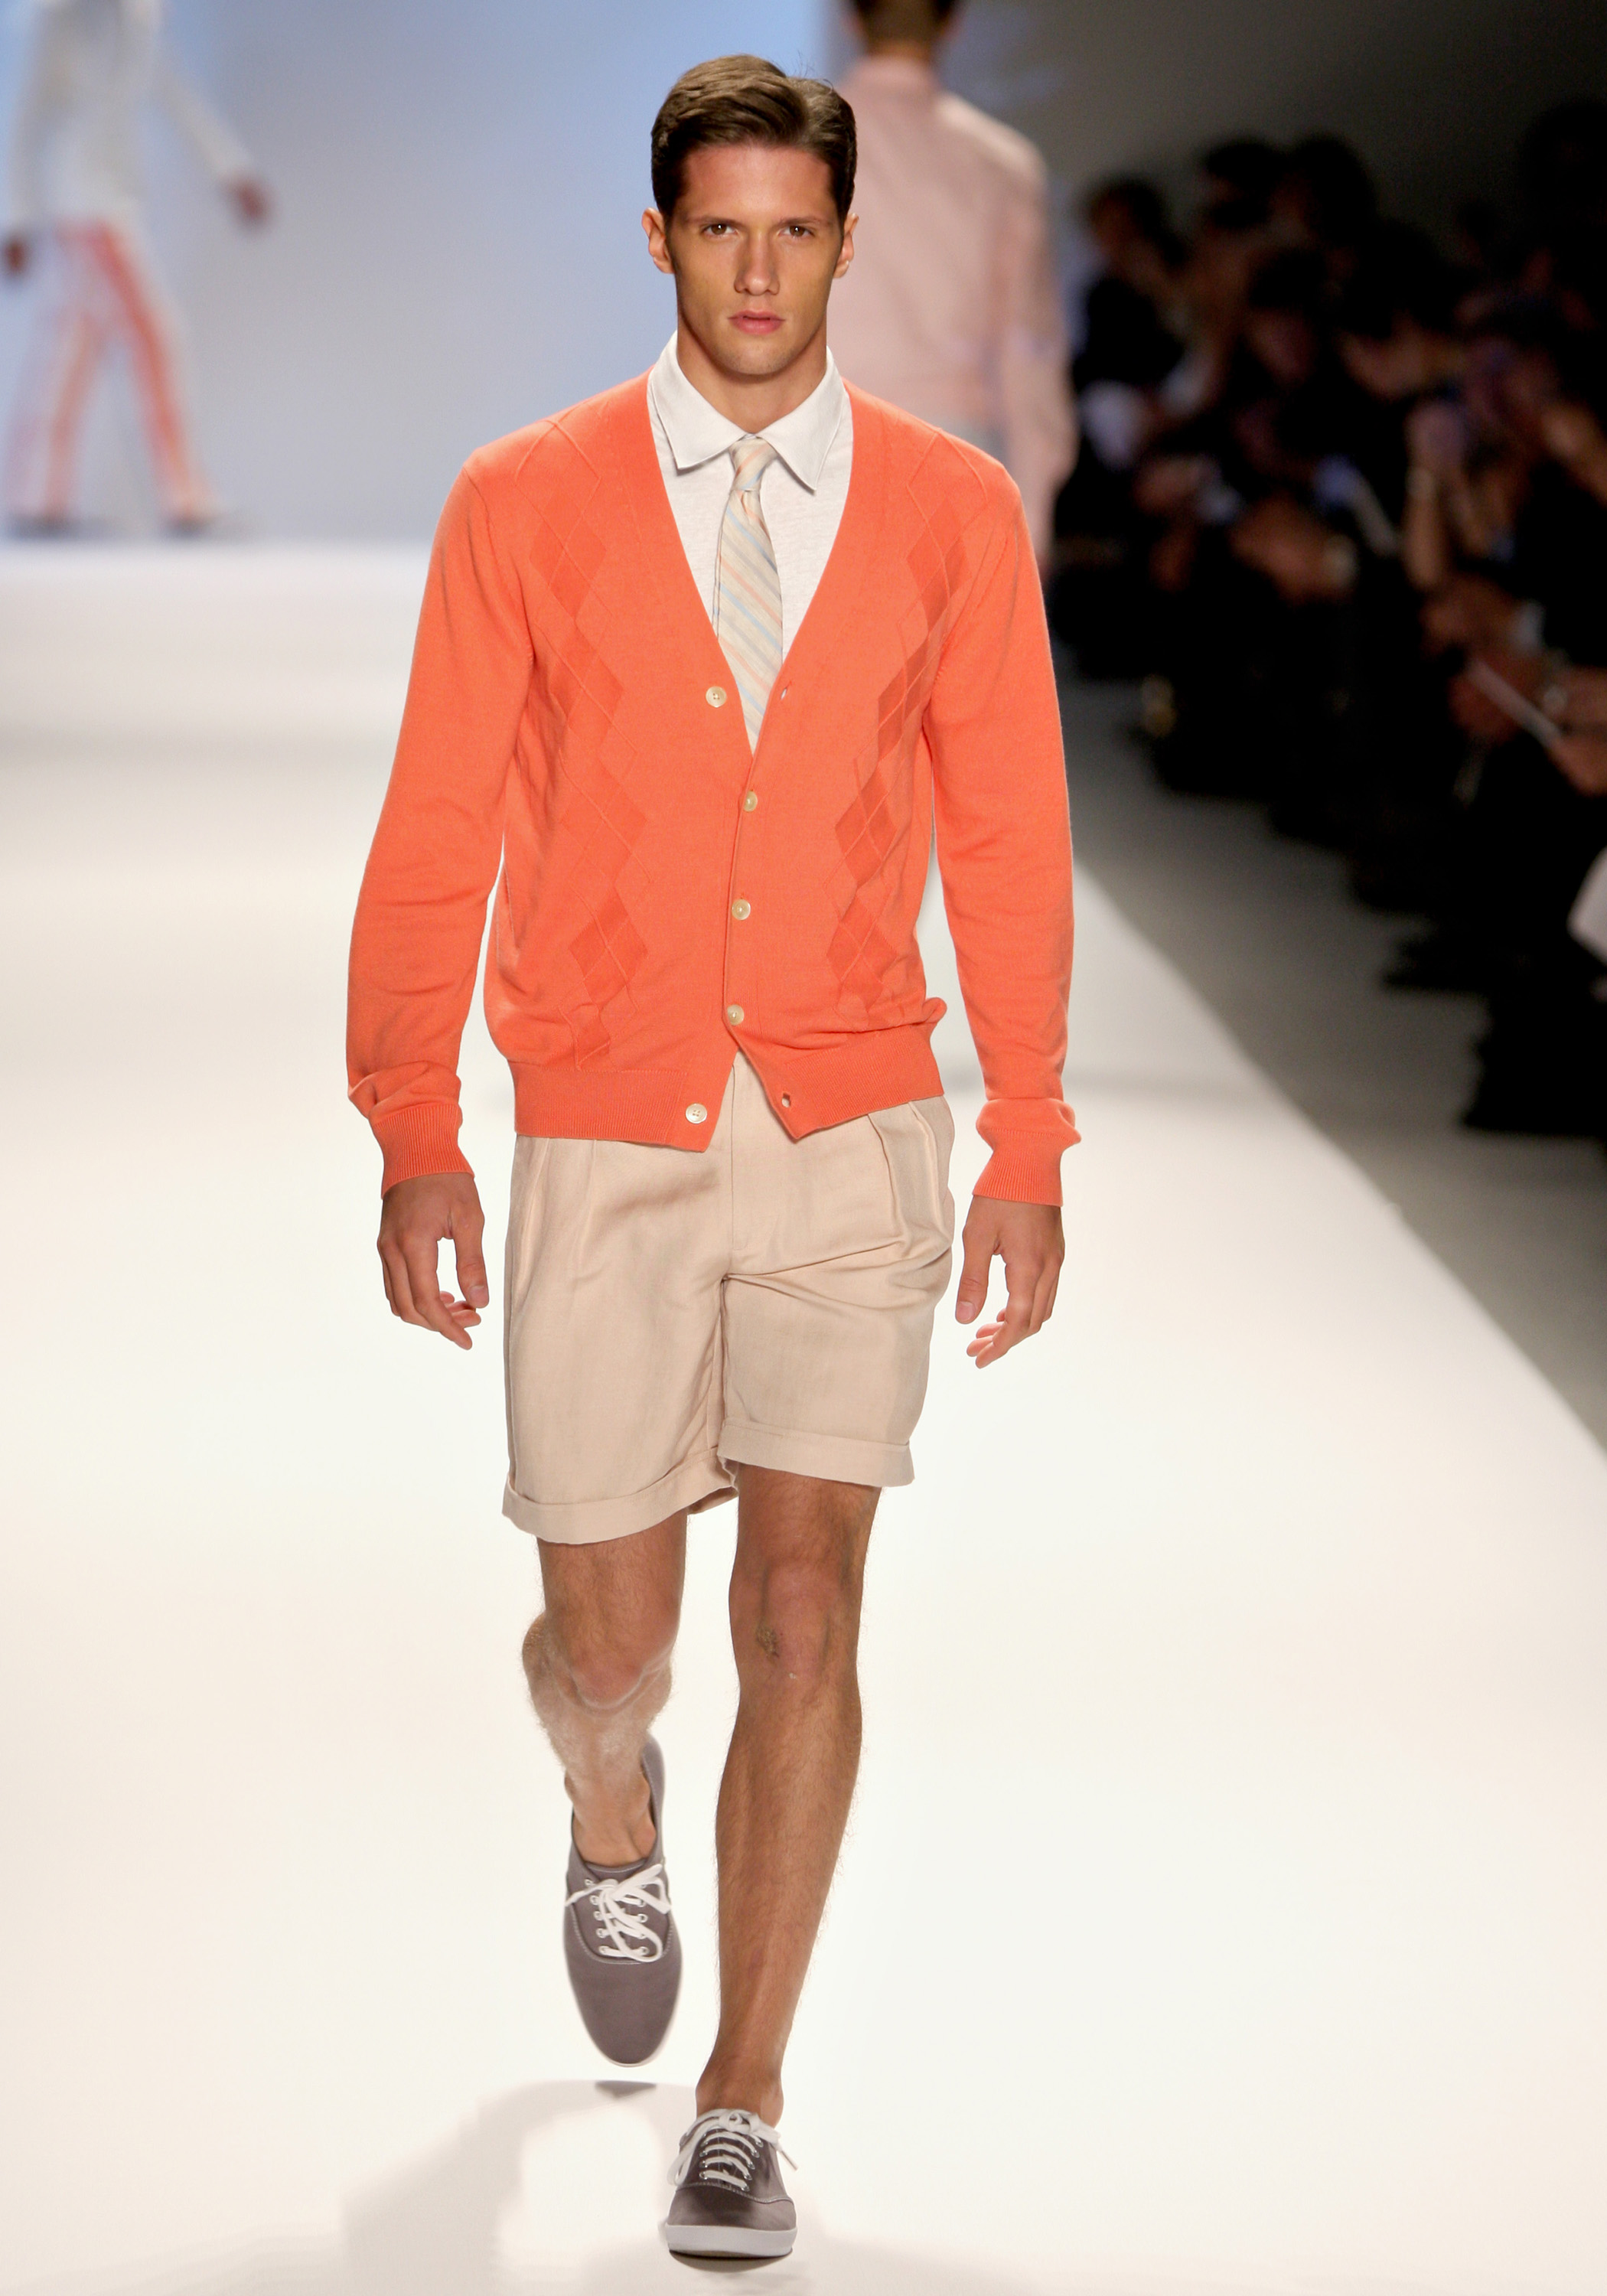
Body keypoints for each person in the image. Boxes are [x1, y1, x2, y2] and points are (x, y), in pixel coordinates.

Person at [345, 53, 1076, 2265]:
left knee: (807, 1599)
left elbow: (1007, 834)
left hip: (854, 1125)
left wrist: (1026, 1135)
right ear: (659, 238)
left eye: (797, 232)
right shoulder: (523, 499)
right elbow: (439, 817)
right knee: (614, 1642)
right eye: (722, 232)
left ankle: (742, 2098)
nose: (760, 275)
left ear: (846, 241)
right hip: (604, 1128)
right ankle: (609, 1804)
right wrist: (412, 1121)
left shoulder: (953, 511)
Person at [2, 0, 269, 531]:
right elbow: (23, 110)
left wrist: (231, 170)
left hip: (113, 197)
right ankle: (185, 497)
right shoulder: (61, 16)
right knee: (153, 337)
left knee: (67, 354)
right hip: (85, 204)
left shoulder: (138, 15)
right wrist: (15, 217)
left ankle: (36, 499)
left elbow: (174, 92)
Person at [828, 0, 1076, 565]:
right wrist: (1030, 536)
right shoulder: (1004, 164)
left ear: (850, 18)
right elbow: (1029, 354)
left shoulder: (795, 146)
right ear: (954, 23)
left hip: (816, 457)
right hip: (955, 469)